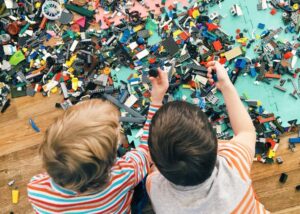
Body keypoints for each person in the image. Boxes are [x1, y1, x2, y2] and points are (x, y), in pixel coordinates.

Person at [27, 69, 169, 213]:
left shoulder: (36, 190)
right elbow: (147, 147)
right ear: (112, 162)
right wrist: (157, 100)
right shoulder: (125, 173)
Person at [147, 61, 269, 213]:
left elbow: (152, 169)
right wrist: (226, 85)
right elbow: (246, 131)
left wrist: (156, 101)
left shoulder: (155, 187)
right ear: (216, 143)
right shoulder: (233, 166)